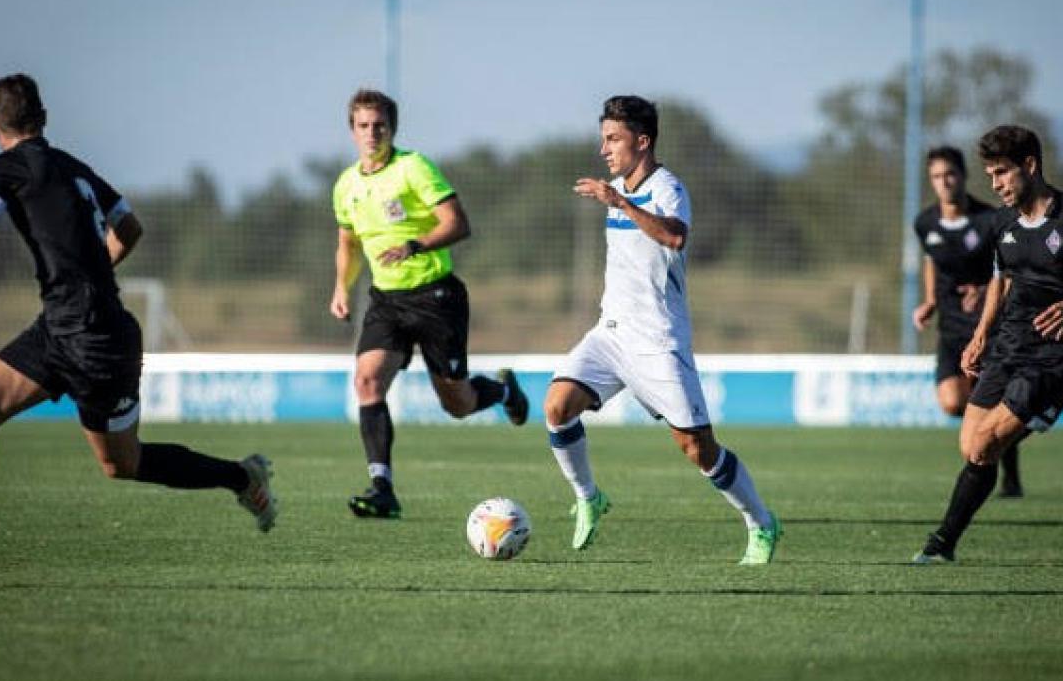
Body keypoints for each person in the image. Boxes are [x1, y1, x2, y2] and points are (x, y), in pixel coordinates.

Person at [0, 74, 276, 582]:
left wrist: (84, 280)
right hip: (62, 327)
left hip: (96, 339)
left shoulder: (5, 167)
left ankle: (240, 476)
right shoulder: (73, 166)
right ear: (44, 118)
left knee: (121, 464)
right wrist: (91, 273)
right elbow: (130, 227)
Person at [542, 95, 780, 565]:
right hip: (610, 333)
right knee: (556, 406)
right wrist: (617, 197)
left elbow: (675, 236)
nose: (604, 150)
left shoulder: (669, 188)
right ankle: (589, 497)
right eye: (603, 139)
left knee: (698, 450)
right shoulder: (614, 187)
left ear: (643, 141)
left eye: (613, 139)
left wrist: (622, 203)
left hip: (659, 341)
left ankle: (761, 523)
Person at [914, 125, 1063, 564]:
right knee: (969, 444)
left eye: (1002, 173)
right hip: (1009, 341)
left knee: (987, 445)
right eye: (990, 175)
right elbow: (1000, 278)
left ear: (1030, 165)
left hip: (1055, 348)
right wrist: (979, 335)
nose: (995, 185)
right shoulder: (1003, 222)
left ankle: (942, 544)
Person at [330, 89, 528, 520]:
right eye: (363, 126)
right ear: (352, 131)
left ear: (392, 128)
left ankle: (503, 390)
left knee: (456, 403)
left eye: (379, 125)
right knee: (367, 380)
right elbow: (347, 242)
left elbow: (458, 223)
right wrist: (342, 288)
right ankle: (382, 488)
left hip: (436, 297)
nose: (371, 133)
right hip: (386, 301)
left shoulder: (413, 168)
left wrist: (415, 245)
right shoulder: (346, 185)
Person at [912, 146, 1026, 496]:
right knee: (951, 402)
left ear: (962, 176)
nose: (943, 182)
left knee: (988, 400)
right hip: (950, 325)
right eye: (936, 176)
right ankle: (988, 447)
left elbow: (1008, 270)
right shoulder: (925, 222)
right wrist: (930, 300)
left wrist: (982, 289)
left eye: (950, 174)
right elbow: (931, 259)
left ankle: (1006, 474)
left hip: (986, 326)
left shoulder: (991, 220)